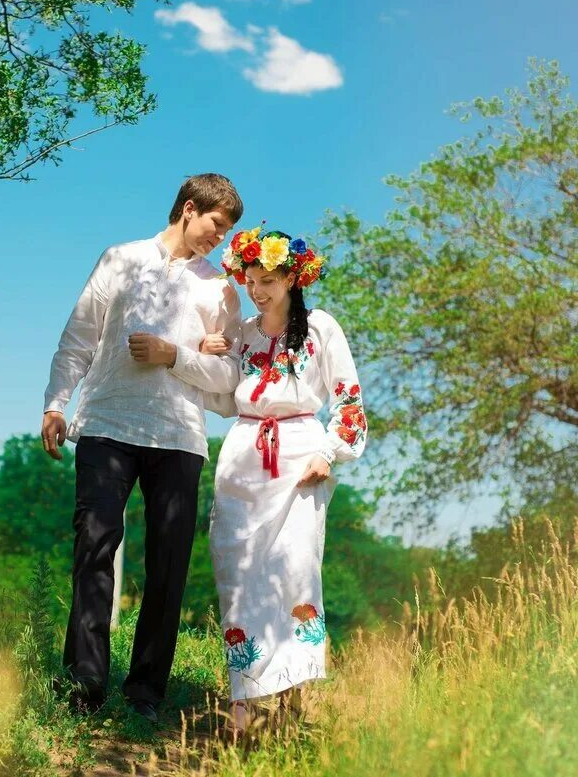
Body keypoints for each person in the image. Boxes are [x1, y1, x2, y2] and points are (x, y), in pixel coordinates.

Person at [41, 174, 244, 722]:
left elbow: (229, 376)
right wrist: (57, 403)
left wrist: (173, 354)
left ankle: (146, 693)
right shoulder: (121, 259)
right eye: (215, 226)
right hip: (107, 424)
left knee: (168, 565)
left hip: (179, 436)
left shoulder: (220, 290)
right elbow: (78, 336)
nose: (219, 240)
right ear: (188, 208)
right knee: (94, 547)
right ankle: (84, 683)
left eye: (227, 232)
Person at [205, 226, 367, 736]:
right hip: (243, 455)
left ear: (293, 278)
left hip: (299, 459)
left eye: (269, 280)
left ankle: (295, 696)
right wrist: (212, 353)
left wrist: (329, 451)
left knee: (295, 571)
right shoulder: (245, 333)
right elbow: (224, 397)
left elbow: (348, 399)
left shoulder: (321, 328)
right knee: (239, 571)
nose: (258, 290)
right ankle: (243, 701)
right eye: (251, 279)